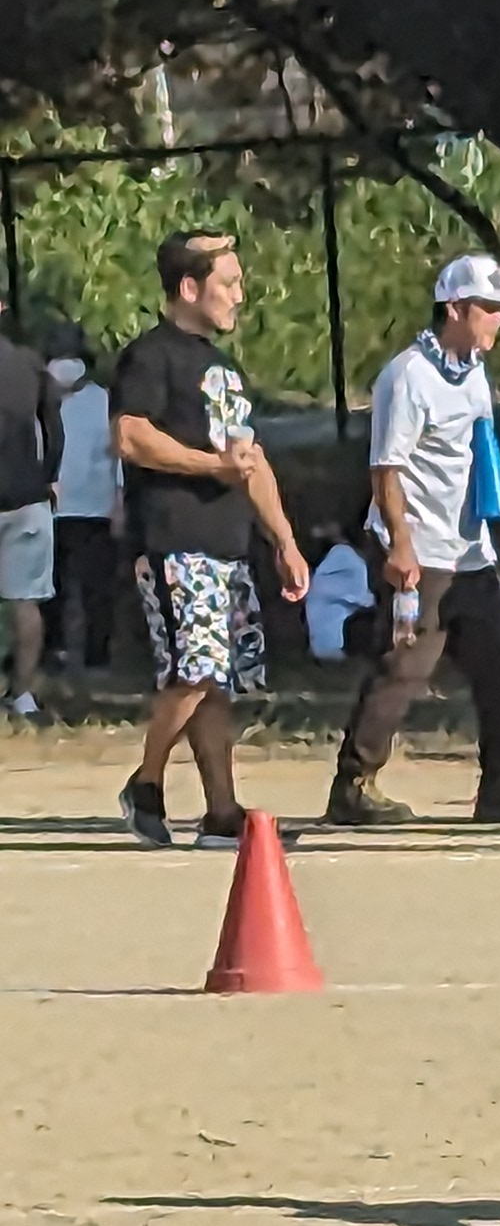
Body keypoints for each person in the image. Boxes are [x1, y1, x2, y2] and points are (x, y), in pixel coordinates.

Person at [330, 253, 500, 826]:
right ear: (456, 309)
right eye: (489, 310)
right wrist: (401, 546)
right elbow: (386, 468)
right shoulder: (409, 375)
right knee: (406, 666)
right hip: (419, 547)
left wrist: (493, 533)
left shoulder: (473, 375)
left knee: (499, 664)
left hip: (469, 551)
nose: (498, 321)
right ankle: (353, 783)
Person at [110, 232, 310, 848]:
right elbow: (131, 436)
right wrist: (209, 467)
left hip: (228, 543)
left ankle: (222, 813)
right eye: (229, 283)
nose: (240, 297)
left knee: (218, 680)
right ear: (189, 288)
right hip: (175, 540)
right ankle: (144, 784)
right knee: (194, 670)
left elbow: (250, 461)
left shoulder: (225, 369)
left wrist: (284, 539)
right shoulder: (150, 357)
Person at [0, 313, 66, 720]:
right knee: (26, 602)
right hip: (26, 494)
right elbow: (54, 429)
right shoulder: (29, 362)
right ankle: (23, 694)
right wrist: (50, 477)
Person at [46, 320, 119, 681]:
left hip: (80, 505)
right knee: (67, 587)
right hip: (72, 506)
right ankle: (69, 651)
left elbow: (118, 453)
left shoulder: (98, 399)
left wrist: (118, 500)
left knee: (83, 588)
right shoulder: (100, 397)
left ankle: (88, 652)